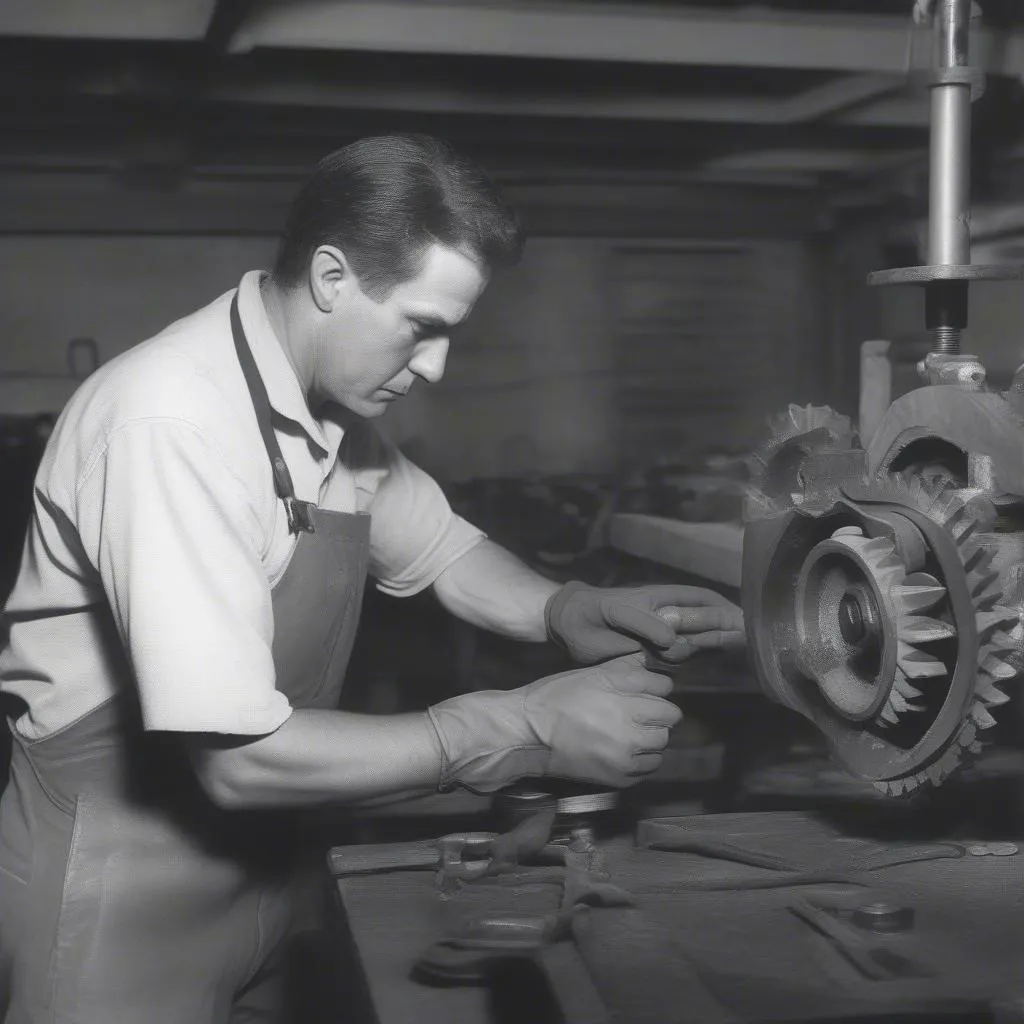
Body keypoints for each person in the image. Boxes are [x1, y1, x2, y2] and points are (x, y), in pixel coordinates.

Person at [0, 134, 744, 1023]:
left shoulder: (329, 409)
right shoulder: (171, 425)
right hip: (118, 881)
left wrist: (565, 606)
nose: (435, 368)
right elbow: (239, 761)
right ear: (330, 278)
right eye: (421, 328)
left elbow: (444, 552)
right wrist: (514, 726)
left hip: (278, 859)